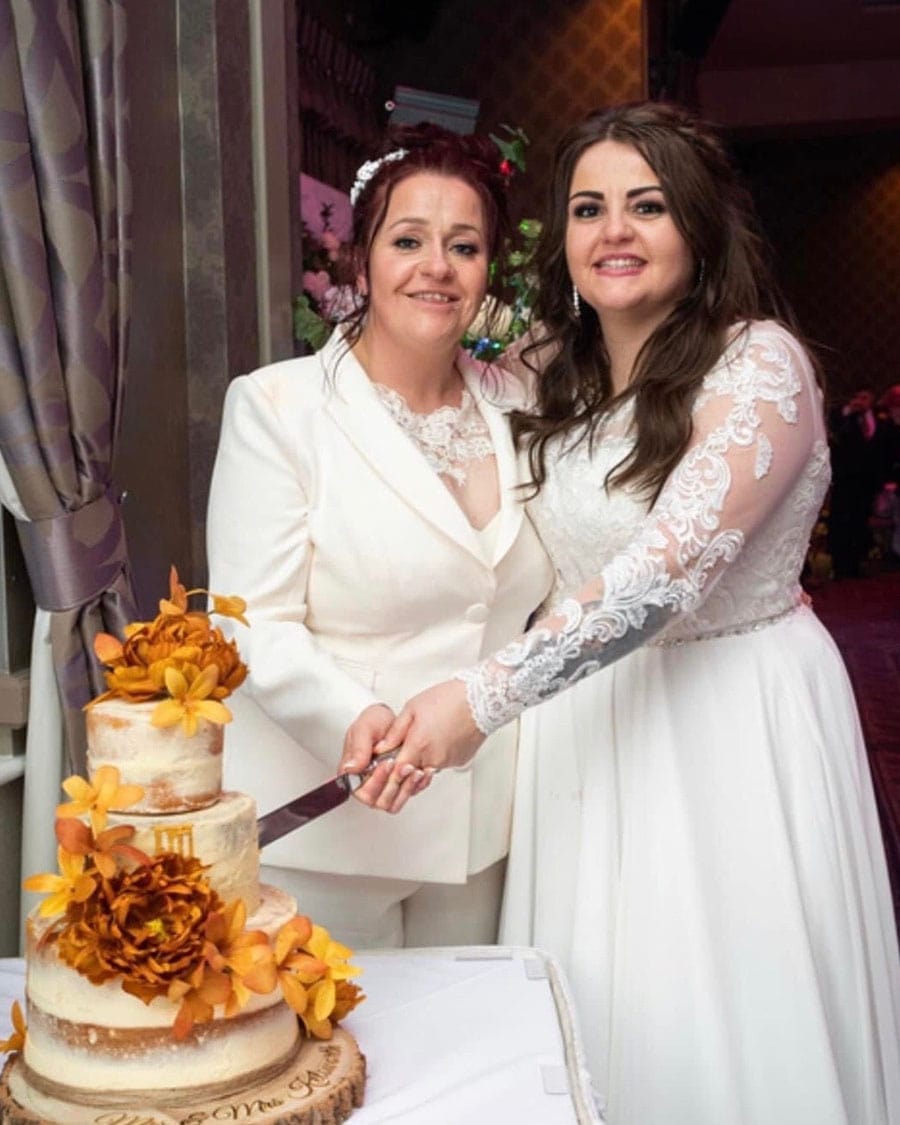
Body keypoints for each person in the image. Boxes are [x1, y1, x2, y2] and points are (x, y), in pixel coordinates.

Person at [342, 103, 900, 1123]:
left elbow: (661, 576)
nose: (614, 232)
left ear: (700, 224)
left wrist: (479, 699)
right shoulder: (549, 366)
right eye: (589, 208)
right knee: (600, 1004)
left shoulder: (760, 364)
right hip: (582, 729)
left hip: (729, 720)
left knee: (723, 1004)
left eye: (647, 206)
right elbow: (424, 377)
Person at [206, 123, 553, 949]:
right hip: (329, 826)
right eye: (408, 240)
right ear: (361, 261)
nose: (438, 266)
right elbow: (251, 620)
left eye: (464, 246)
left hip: (484, 829)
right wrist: (353, 720)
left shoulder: (524, 409)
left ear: (487, 272)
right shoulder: (278, 407)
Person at [827, 387, 881, 578]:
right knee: (842, 521)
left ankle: (857, 562)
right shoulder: (845, 418)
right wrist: (849, 410)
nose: (861, 401)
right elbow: (834, 431)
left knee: (860, 521)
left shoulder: (878, 419)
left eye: (865, 398)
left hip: (867, 483)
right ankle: (840, 564)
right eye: (858, 397)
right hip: (845, 480)